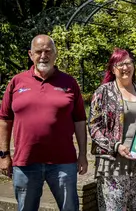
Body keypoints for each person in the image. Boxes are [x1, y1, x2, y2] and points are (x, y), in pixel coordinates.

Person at [0, 34, 88, 211]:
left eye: (48, 51)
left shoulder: (69, 83)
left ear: (55, 54)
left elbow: (80, 121)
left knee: (70, 208)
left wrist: (83, 155)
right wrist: (4, 155)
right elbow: (4, 119)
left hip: (63, 162)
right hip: (25, 162)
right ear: (30, 54)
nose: (43, 55)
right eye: (38, 51)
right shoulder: (17, 82)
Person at [88, 48, 136, 211]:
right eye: (120, 64)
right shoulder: (103, 92)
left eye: (129, 63)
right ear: (113, 68)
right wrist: (116, 145)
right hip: (114, 164)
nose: (125, 67)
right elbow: (93, 126)